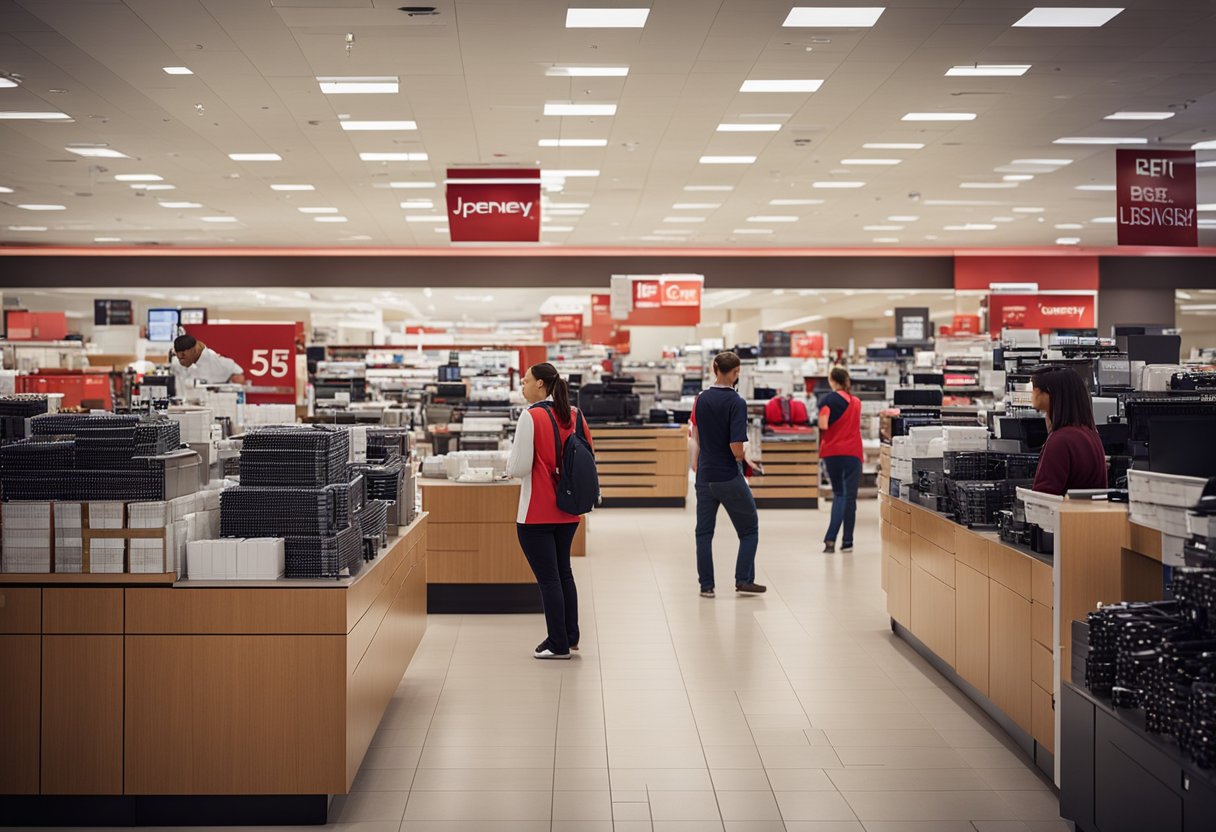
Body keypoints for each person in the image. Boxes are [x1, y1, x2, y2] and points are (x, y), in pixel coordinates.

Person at [506, 362, 593, 660]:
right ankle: (570, 635)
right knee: (564, 573)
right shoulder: (575, 414)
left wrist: (507, 468)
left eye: (526, 381)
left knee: (549, 579)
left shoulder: (530, 417)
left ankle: (557, 644)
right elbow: (589, 457)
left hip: (537, 511)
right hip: (569, 510)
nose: (523, 386)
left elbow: (518, 466)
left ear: (541, 384)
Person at [690, 351, 766, 598]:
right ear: (735, 373)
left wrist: (696, 465)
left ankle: (707, 586)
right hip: (727, 476)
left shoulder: (700, 399)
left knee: (703, 532)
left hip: (705, 475)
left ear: (714, 369)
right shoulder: (737, 403)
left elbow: (696, 438)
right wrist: (742, 456)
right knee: (749, 529)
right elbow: (735, 446)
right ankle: (744, 579)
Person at [1030, 365, 1108, 495]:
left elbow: (1043, 498)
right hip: (1084, 514)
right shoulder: (1090, 434)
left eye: (1034, 389)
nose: (1032, 393)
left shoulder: (1060, 441)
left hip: (1065, 514)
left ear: (1048, 392)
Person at [818, 366, 864, 554]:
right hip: (853, 453)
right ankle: (847, 542)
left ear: (831, 380)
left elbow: (823, 424)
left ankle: (830, 540)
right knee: (850, 497)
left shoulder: (827, 400)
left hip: (832, 453)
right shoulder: (857, 402)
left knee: (839, 494)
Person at [170, 334, 245, 387]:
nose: (181, 360)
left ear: (194, 350)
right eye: (178, 356)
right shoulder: (176, 364)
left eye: (184, 356)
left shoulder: (220, 363)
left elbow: (239, 378)